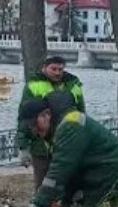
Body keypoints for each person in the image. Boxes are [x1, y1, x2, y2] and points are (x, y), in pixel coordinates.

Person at [23, 91, 118, 207]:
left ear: (46, 115)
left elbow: (60, 169)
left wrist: (39, 203)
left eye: (34, 124)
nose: (34, 130)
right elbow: (70, 173)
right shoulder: (61, 128)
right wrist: (64, 204)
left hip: (111, 174)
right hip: (99, 173)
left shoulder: (70, 126)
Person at [16, 56, 86, 187]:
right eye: (53, 69)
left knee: (68, 183)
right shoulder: (34, 86)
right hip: (41, 146)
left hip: (67, 144)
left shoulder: (74, 86)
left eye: (60, 69)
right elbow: (25, 117)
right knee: (43, 184)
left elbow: (82, 115)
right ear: (44, 68)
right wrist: (23, 146)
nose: (57, 73)